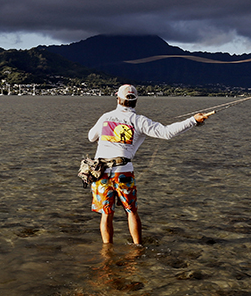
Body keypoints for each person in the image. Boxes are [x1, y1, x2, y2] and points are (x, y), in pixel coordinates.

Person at [87, 84, 209, 246]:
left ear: (118, 98)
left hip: (100, 172)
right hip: (123, 172)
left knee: (106, 214)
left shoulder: (105, 117)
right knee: (131, 212)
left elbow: (91, 137)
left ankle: (107, 252)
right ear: (136, 101)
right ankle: (138, 248)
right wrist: (193, 120)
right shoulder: (139, 121)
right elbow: (167, 133)